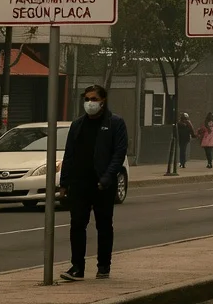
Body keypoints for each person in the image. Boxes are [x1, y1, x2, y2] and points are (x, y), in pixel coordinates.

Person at [57, 84, 128, 282]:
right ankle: (77, 267)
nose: (90, 103)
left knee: (104, 226)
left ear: (103, 101)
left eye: (94, 99)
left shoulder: (115, 123)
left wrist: (107, 178)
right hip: (80, 183)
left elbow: (119, 153)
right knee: (77, 225)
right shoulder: (78, 125)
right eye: (87, 99)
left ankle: (103, 266)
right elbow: (69, 155)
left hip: (103, 184)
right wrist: (64, 183)